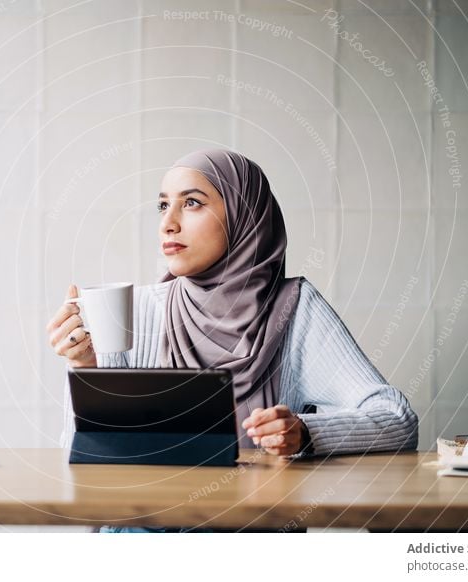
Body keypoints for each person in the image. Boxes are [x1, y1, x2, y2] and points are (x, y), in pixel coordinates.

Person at [46, 148, 418, 531]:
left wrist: (305, 432)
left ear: (244, 216)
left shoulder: (293, 308)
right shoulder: (137, 309)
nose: (168, 224)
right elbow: (89, 461)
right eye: (162, 206)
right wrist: (84, 368)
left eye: (191, 203)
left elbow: (398, 419)